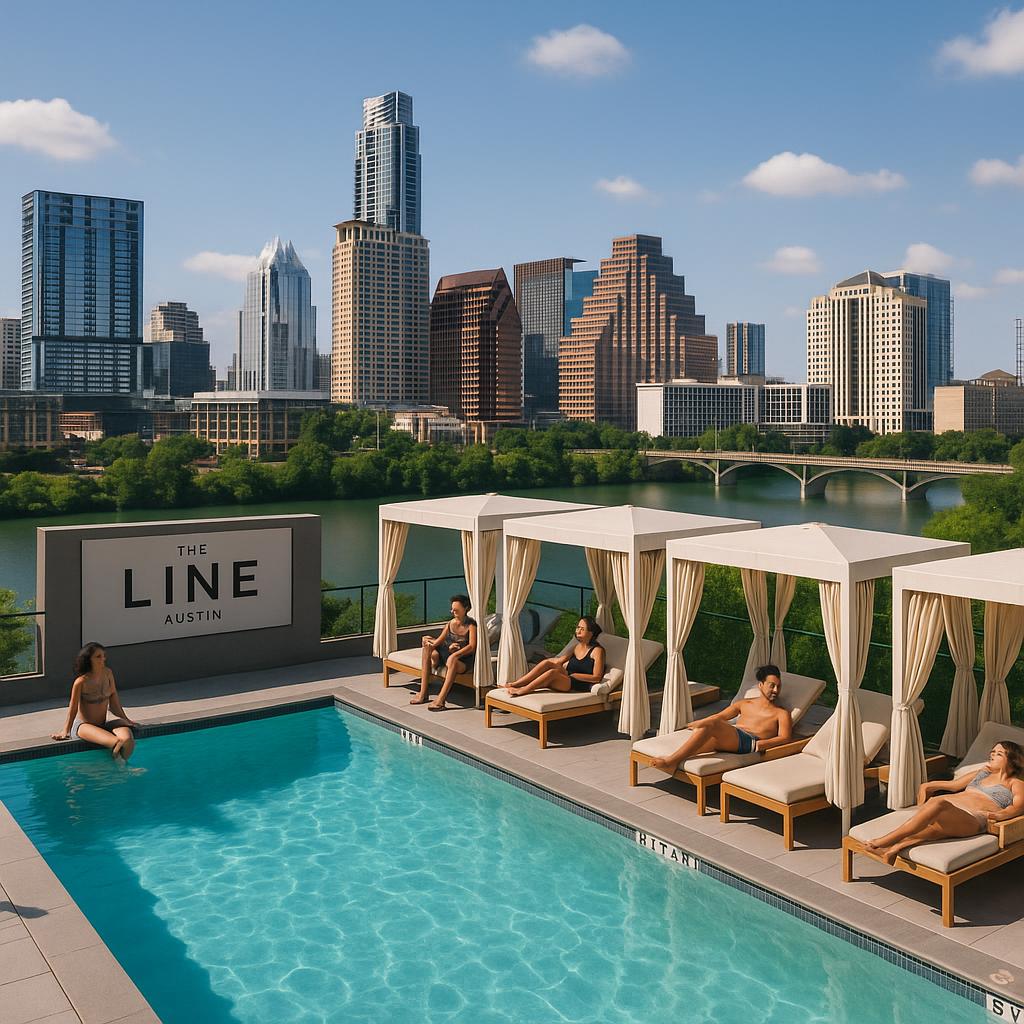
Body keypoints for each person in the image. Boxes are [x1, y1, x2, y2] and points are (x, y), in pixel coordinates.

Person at [864, 740, 1024, 865]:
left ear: (1012, 760)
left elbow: (1017, 807)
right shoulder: (982, 773)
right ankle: (892, 849)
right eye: (992, 751)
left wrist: (995, 815)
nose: (992, 754)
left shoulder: (1015, 783)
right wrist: (927, 785)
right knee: (936, 818)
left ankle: (886, 840)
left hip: (972, 819)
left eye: (999, 753)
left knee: (938, 803)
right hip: (952, 814)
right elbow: (953, 786)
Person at [649, 664, 792, 775]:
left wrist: (761, 745)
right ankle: (674, 761)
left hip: (750, 742)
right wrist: (698, 725)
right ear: (760, 685)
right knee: (702, 734)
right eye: (771, 685)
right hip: (733, 737)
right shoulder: (745, 703)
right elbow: (721, 716)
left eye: (778, 686)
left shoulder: (781, 713)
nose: (775, 690)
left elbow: (785, 738)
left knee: (710, 725)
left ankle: (669, 761)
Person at [51, 642, 140, 761]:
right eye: (98, 656)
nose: (103, 659)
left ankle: (120, 767)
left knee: (128, 740)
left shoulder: (108, 673)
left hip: (103, 725)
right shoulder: (81, 682)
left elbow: (114, 703)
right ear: (88, 660)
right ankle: (122, 771)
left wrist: (127, 720)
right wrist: (65, 731)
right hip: (84, 727)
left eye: (103, 655)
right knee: (117, 742)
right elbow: (73, 708)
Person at [499, 616, 606, 698]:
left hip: (578, 684)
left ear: (591, 633)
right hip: (567, 677)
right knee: (547, 663)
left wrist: (574, 675)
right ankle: (516, 684)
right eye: (578, 627)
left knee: (552, 673)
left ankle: (523, 690)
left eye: (582, 629)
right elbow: (559, 661)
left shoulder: (597, 651)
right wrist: (547, 658)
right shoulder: (576, 647)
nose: (578, 631)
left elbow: (596, 677)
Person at [412, 594, 478, 712]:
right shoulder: (450, 623)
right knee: (427, 648)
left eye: (456, 610)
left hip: (463, 659)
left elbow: (472, 647)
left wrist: (456, 654)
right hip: (448, 653)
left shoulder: (471, 625)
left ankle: (440, 701)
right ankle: (423, 693)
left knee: (452, 659)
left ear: (466, 608)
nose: (453, 612)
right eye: (452, 609)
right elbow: (438, 642)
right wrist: (428, 641)